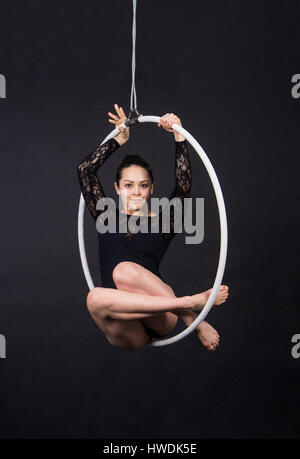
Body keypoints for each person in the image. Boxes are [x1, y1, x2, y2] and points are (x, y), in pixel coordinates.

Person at [77, 104, 229, 351]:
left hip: (159, 317)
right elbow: (85, 170)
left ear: (151, 189)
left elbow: (182, 187)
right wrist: (118, 140)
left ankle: (186, 313)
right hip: (125, 324)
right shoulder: (106, 216)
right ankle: (189, 307)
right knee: (94, 297)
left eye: (143, 185)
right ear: (116, 188)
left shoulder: (164, 221)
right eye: (128, 185)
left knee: (124, 271)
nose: (135, 191)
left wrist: (179, 135)